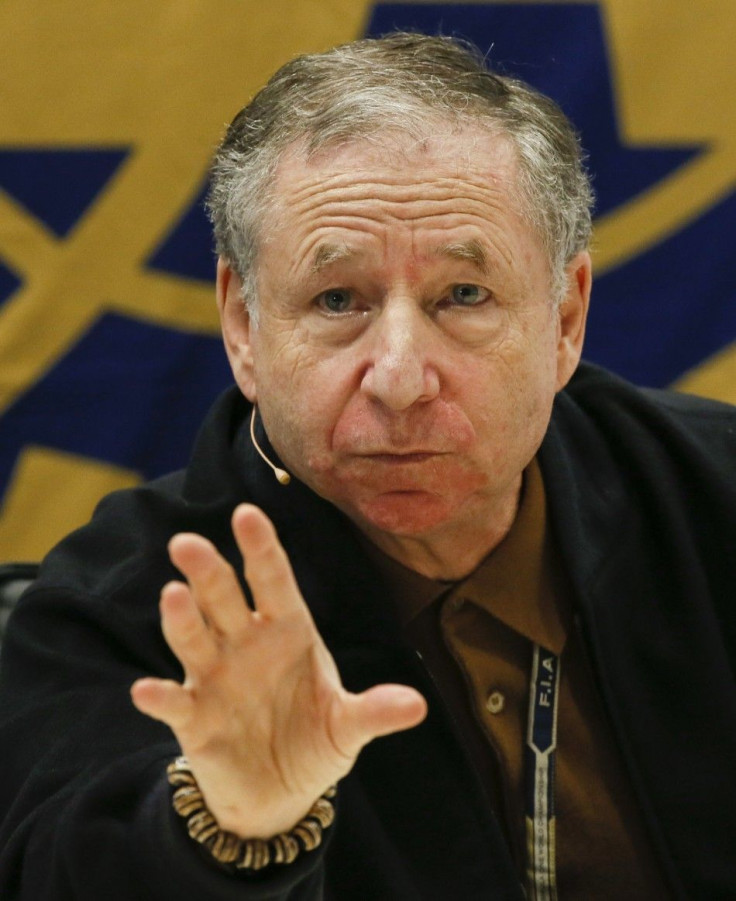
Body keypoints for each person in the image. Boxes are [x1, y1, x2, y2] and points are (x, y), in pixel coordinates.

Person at [0, 31, 734, 901]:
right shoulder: (124, 611)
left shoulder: (713, 494)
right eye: (337, 299)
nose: (399, 378)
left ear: (566, 317)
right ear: (243, 325)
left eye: (463, 296)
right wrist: (232, 826)